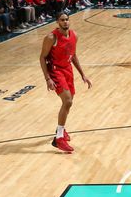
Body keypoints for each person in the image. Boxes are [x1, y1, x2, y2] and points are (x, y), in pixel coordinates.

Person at [39, 12, 93, 153]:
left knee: (69, 102)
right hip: (56, 71)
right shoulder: (51, 37)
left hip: (68, 69)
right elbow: (42, 58)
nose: (65, 22)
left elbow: (73, 55)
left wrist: (83, 74)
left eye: (67, 19)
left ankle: (60, 131)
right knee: (67, 101)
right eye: (62, 20)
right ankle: (58, 139)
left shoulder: (74, 35)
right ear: (57, 22)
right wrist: (47, 78)